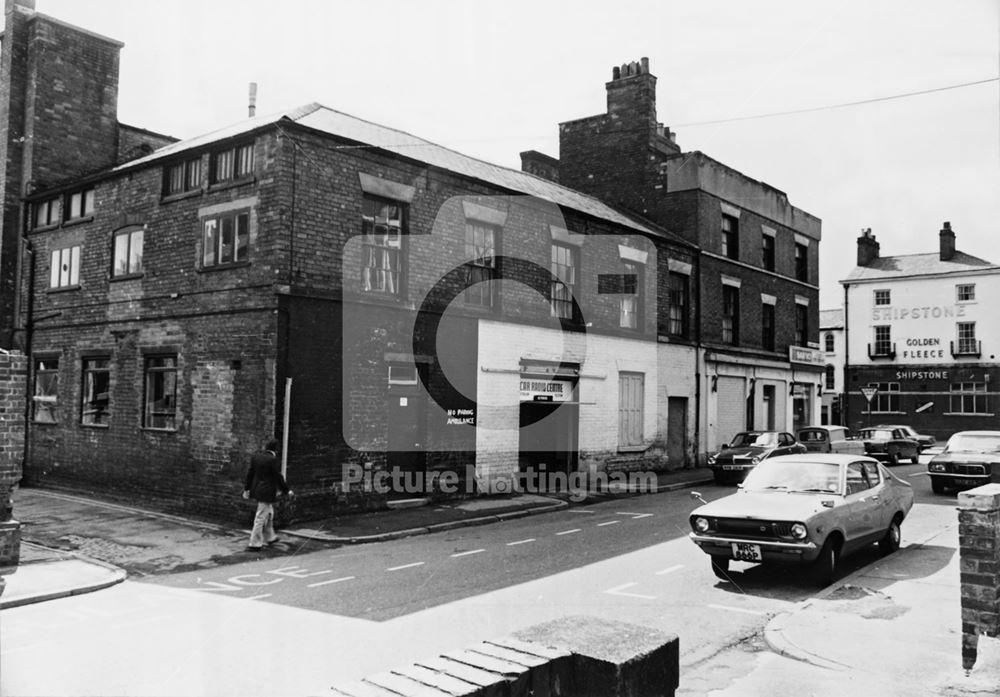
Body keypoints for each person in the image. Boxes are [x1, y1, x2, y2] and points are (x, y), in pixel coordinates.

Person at [242, 439, 292, 550]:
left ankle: (270, 537)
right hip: (267, 492)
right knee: (260, 517)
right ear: (276, 449)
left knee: (269, 513)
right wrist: (286, 490)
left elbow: (250, 473)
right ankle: (254, 543)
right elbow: (278, 477)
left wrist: (247, 489)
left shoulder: (256, 457)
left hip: (257, 490)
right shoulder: (273, 460)